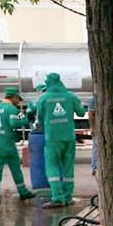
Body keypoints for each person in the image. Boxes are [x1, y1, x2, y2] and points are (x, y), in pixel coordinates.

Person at [34, 72, 85, 208]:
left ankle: (57, 197)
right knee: (68, 168)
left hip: (53, 138)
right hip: (69, 137)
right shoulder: (70, 96)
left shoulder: (43, 98)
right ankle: (68, 197)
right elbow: (81, 112)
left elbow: (39, 117)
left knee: (52, 167)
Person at [0, 86, 36, 206]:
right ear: (13, 97)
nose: (19, 101)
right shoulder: (11, 109)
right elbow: (14, 123)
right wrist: (27, 119)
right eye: (18, 98)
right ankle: (23, 192)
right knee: (15, 168)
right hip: (7, 143)